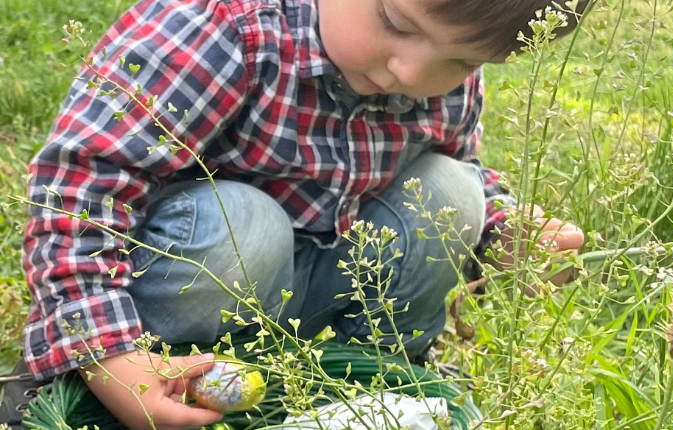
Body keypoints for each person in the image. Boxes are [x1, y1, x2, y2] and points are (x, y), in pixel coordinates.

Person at [1, 0, 587, 428]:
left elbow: (462, 163)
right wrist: (108, 354)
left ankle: (371, 379)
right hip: (194, 288)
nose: (410, 73)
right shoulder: (222, 28)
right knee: (243, 219)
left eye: (458, 60)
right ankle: (111, 388)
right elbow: (79, 191)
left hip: (315, 288)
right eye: (397, 24)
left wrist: (504, 230)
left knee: (452, 188)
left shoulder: (439, 79)